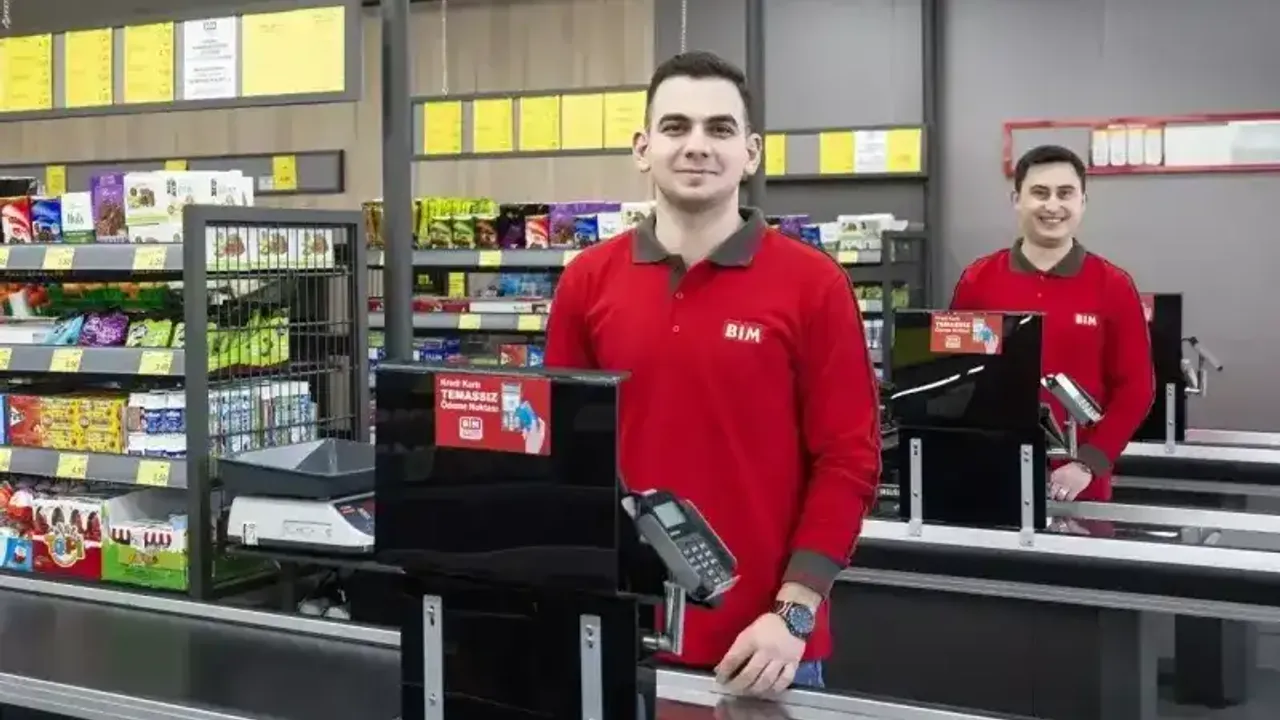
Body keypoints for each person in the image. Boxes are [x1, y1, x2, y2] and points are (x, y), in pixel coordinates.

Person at [544, 51, 881, 695]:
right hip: (614, 634)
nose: (696, 145)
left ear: (750, 153)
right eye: (676, 127)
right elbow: (564, 454)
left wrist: (795, 610)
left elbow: (849, 460)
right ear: (642, 148)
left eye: (720, 129)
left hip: (762, 650)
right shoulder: (587, 281)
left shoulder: (814, 285)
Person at [950, 144, 1154, 502]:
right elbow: (956, 379)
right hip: (989, 474)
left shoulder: (1114, 286)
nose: (1053, 205)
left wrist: (1088, 463)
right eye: (1040, 193)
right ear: (1017, 200)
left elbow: (1136, 389)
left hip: (1079, 486)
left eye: (1065, 193)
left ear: (1083, 202)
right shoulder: (977, 281)